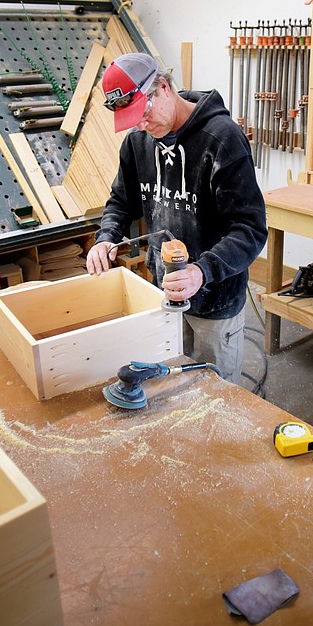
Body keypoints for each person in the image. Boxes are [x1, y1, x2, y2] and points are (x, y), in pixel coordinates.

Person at [85, 53, 267, 385]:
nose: (141, 125)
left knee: (215, 395)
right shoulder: (138, 142)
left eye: (144, 113)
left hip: (216, 298)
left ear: (164, 88)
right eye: (133, 119)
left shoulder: (222, 139)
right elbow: (121, 202)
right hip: (164, 293)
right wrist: (107, 236)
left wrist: (202, 271)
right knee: (169, 387)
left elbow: (250, 229)